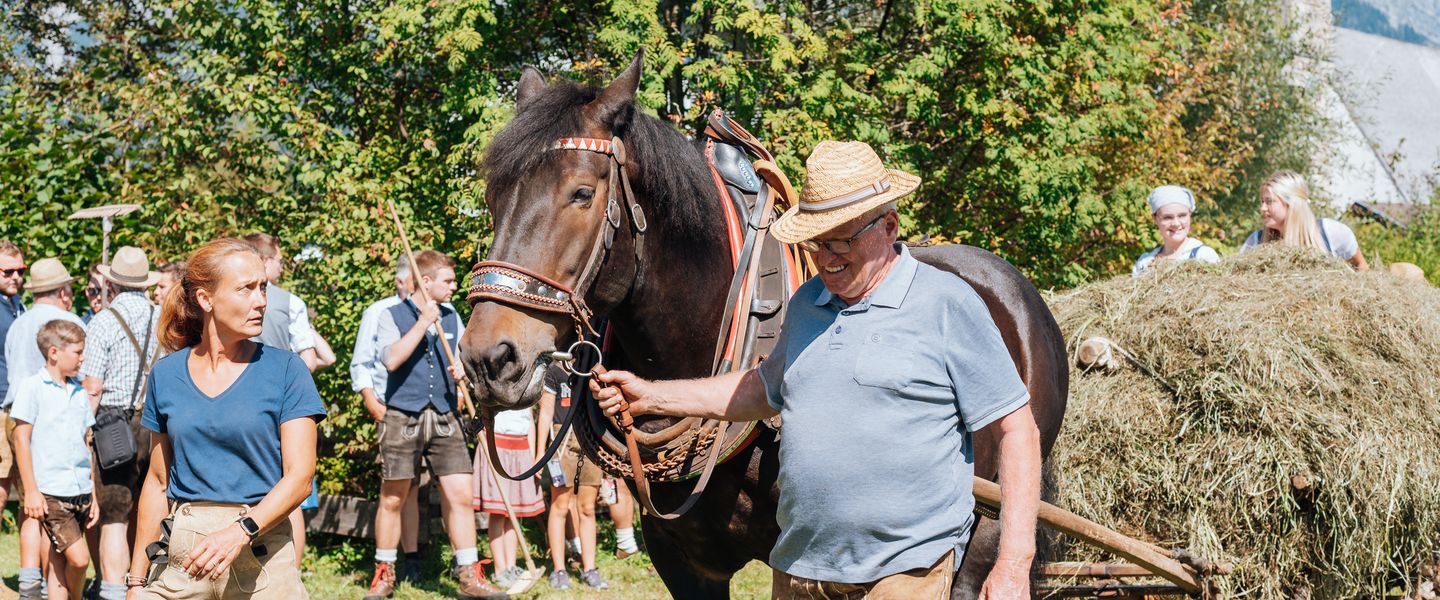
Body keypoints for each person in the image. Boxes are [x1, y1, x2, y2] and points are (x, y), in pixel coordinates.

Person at [591, 141, 1043, 598]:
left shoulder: (947, 303)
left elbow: (1017, 430)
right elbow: (761, 389)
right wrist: (649, 395)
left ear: (889, 226)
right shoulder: (808, 302)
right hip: (800, 571)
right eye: (818, 242)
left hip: (904, 575)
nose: (826, 258)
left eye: (842, 240)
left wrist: (1014, 562)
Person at [125, 238, 325, 599]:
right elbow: (156, 483)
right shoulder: (167, 376)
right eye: (246, 289)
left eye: (263, 287)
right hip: (184, 559)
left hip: (264, 558)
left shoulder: (287, 371)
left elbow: (300, 478)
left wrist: (241, 530)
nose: (261, 300)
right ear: (206, 299)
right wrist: (136, 581)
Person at [364, 249, 506, 600]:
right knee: (394, 497)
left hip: (445, 416)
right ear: (425, 282)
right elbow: (392, 359)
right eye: (448, 281)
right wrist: (424, 322)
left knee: (460, 494)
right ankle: (384, 573)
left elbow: (460, 364)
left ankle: (469, 575)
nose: (454, 286)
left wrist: (464, 374)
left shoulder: (453, 316)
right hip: (402, 417)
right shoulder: (390, 314)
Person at [81, 246, 163, 600]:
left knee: (114, 516)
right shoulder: (164, 317)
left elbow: (93, 387)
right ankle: (147, 588)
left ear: (111, 283)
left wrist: (83, 429)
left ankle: (113, 593)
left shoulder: (102, 322)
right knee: (152, 510)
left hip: (114, 425)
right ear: (146, 284)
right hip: (158, 423)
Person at [4, 258, 85, 598]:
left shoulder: (18, 322)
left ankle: (28, 583)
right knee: (48, 501)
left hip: (14, 412)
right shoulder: (68, 323)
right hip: (55, 416)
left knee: (30, 505)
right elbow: (84, 376)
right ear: (63, 289)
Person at [350, 257, 425, 583]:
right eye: (416, 281)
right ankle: (387, 565)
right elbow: (361, 362)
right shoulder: (379, 312)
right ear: (401, 282)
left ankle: (413, 559)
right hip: (392, 407)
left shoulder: (433, 313)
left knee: (414, 488)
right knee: (396, 489)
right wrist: (371, 400)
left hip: (426, 412)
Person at [12, 320, 98, 600]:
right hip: (51, 492)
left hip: (80, 491)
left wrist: (93, 494)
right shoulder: (33, 387)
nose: (82, 358)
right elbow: (21, 439)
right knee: (80, 560)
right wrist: (32, 490)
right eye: (77, 352)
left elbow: (88, 444)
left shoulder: (78, 391)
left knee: (59, 564)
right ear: (53, 353)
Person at [534, 365, 607, 590]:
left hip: (589, 439)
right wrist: (540, 453)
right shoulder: (554, 370)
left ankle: (589, 568)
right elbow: (545, 412)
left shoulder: (593, 367)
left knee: (587, 507)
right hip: (561, 440)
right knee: (560, 506)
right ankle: (559, 569)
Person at [474, 404, 545, 590]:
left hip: (520, 448)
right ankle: (499, 570)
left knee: (515, 513)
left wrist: (530, 455)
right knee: (498, 511)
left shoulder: (526, 387)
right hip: (497, 445)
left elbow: (530, 422)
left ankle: (511, 565)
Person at [1242, 170, 1369, 270]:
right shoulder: (1255, 242)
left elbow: (1361, 267)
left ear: (1291, 203)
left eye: (1269, 202)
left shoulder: (1331, 233)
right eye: (1262, 202)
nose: (1262, 208)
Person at [0, 242, 28, 598]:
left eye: (20, 270)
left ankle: (28, 576)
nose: (16, 277)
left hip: (16, 407)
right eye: (8, 271)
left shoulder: (16, 306)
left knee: (25, 492)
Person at [1132, 185, 1220, 276]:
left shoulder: (1203, 256)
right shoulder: (1144, 262)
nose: (1176, 223)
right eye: (1167, 217)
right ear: (1155, 219)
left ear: (1190, 215)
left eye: (1182, 215)